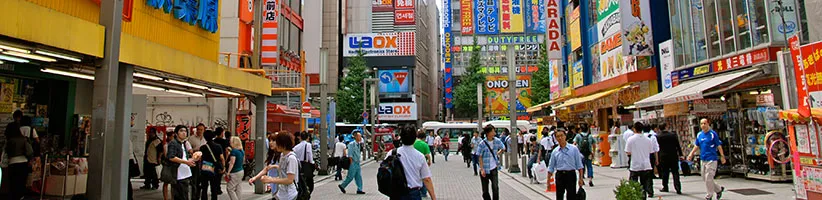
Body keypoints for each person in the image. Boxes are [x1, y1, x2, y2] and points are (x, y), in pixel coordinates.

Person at [385, 127, 438, 200]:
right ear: (414, 138)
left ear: (401, 138)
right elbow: (426, 179)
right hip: (413, 193)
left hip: (396, 193)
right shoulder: (420, 156)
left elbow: (385, 171)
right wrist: (433, 198)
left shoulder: (392, 153)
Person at [687, 119, 727, 200]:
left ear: (708, 124)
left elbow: (719, 146)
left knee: (709, 177)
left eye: (705, 123)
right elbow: (697, 145)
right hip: (703, 159)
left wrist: (722, 156)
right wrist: (691, 154)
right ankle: (718, 189)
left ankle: (709, 195)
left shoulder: (713, 134)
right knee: (705, 178)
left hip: (711, 159)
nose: (703, 125)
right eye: (701, 124)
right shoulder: (699, 135)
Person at [259, 132, 300, 200]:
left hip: (289, 195)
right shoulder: (282, 155)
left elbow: (289, 180)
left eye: (277, 142)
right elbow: (283, 172)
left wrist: (271, 180)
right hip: (281, 193)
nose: (275, 144)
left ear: (283, 144)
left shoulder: (291, 158)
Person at [546, 129, 585, 200]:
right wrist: (548, 182)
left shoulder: (573, 149)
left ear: (565, 136)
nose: (560, 138)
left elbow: (579, 165)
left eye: (561, 135)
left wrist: (581, 179)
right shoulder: (555, 151)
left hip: (571, 175)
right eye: (557, 136)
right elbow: (551, 167)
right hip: (560, 175)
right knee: (559, 196)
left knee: (571, 196)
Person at [625, 122, 657, 198]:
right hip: (646, 165)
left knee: (634, 185)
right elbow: (651, 151)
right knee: (644, 185)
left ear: (634, 129)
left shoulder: (630, 139)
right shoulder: (648, 139)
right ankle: (643, 197)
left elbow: (628, 152)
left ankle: (636, 197)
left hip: (635, 165)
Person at [167, 125, 198, 200]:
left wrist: (192, 160)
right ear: (176, 133)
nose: (184, 133)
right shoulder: (173, 143)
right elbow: (171, 157)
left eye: (185, 131)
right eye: (181, 131)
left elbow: (183, 157)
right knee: (181, 196)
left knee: (186, 195)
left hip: (186, 174)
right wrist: (186, 162)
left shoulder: (183, 143)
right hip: (179, 175)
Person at [476, 125, 505, 200]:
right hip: (485, 168)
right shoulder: (482, 143)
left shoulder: (497, 141)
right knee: (485, 190)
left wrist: (497, 153)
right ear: (488, 133)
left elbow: (503, 147)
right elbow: (480, 156)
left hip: (494, 168)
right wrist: (481, 169)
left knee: (495, 187)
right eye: (493, 131)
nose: (494, 133)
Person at [4, 122, 32, 200]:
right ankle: (21, 197)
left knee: (13, 183)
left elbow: (6, 152)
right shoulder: (24, 139)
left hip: (12, 163)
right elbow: (30, 151)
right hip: (23, 162)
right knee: (21, 182)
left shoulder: (9, 140)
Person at [250, 132, 281, 198]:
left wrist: (274, 166)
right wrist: (255, 178)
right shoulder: (272, 155)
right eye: (270, 140)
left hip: (281, 187)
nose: (271, 143)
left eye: (273, 141)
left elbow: (285, 169)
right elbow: (266, 169)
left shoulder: (282, 155)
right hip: (274, 186)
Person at [656, 124, 683, 194]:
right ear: (666, 127)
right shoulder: (673, 135)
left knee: (665, 172)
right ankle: (678, 187)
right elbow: (678, 145)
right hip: (673, 156)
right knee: (675, 172)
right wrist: (681, 154)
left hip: (663, 156)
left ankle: (665, 186)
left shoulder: (658, 137)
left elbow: (657, 148)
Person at [198, 130, 225, 200]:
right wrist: (223, 167)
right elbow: (222, 158)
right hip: (215, 168)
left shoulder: (202, 147)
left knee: (204, 187)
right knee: (214, 187)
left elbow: (200, 159)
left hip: (205, 168)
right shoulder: (218, 146)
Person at [188, 123, 207, 200]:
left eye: (201, 130)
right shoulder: (191, 138)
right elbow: (189, 150)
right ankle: (194, 197)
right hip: (195, 161)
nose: (199, 131)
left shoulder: (205, 139)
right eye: (198, 129)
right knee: (194, 180)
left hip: (204, 162)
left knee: (203, 180)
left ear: (204, 130)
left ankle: (200, 195)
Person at [411, 131, 432, 197]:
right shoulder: (424, 144)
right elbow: (427, 155)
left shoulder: (413, 143)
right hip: (423, 163)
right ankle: (423, 192)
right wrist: (429, 161)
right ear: (424, 137)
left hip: (413, 163)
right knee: (424, 177)